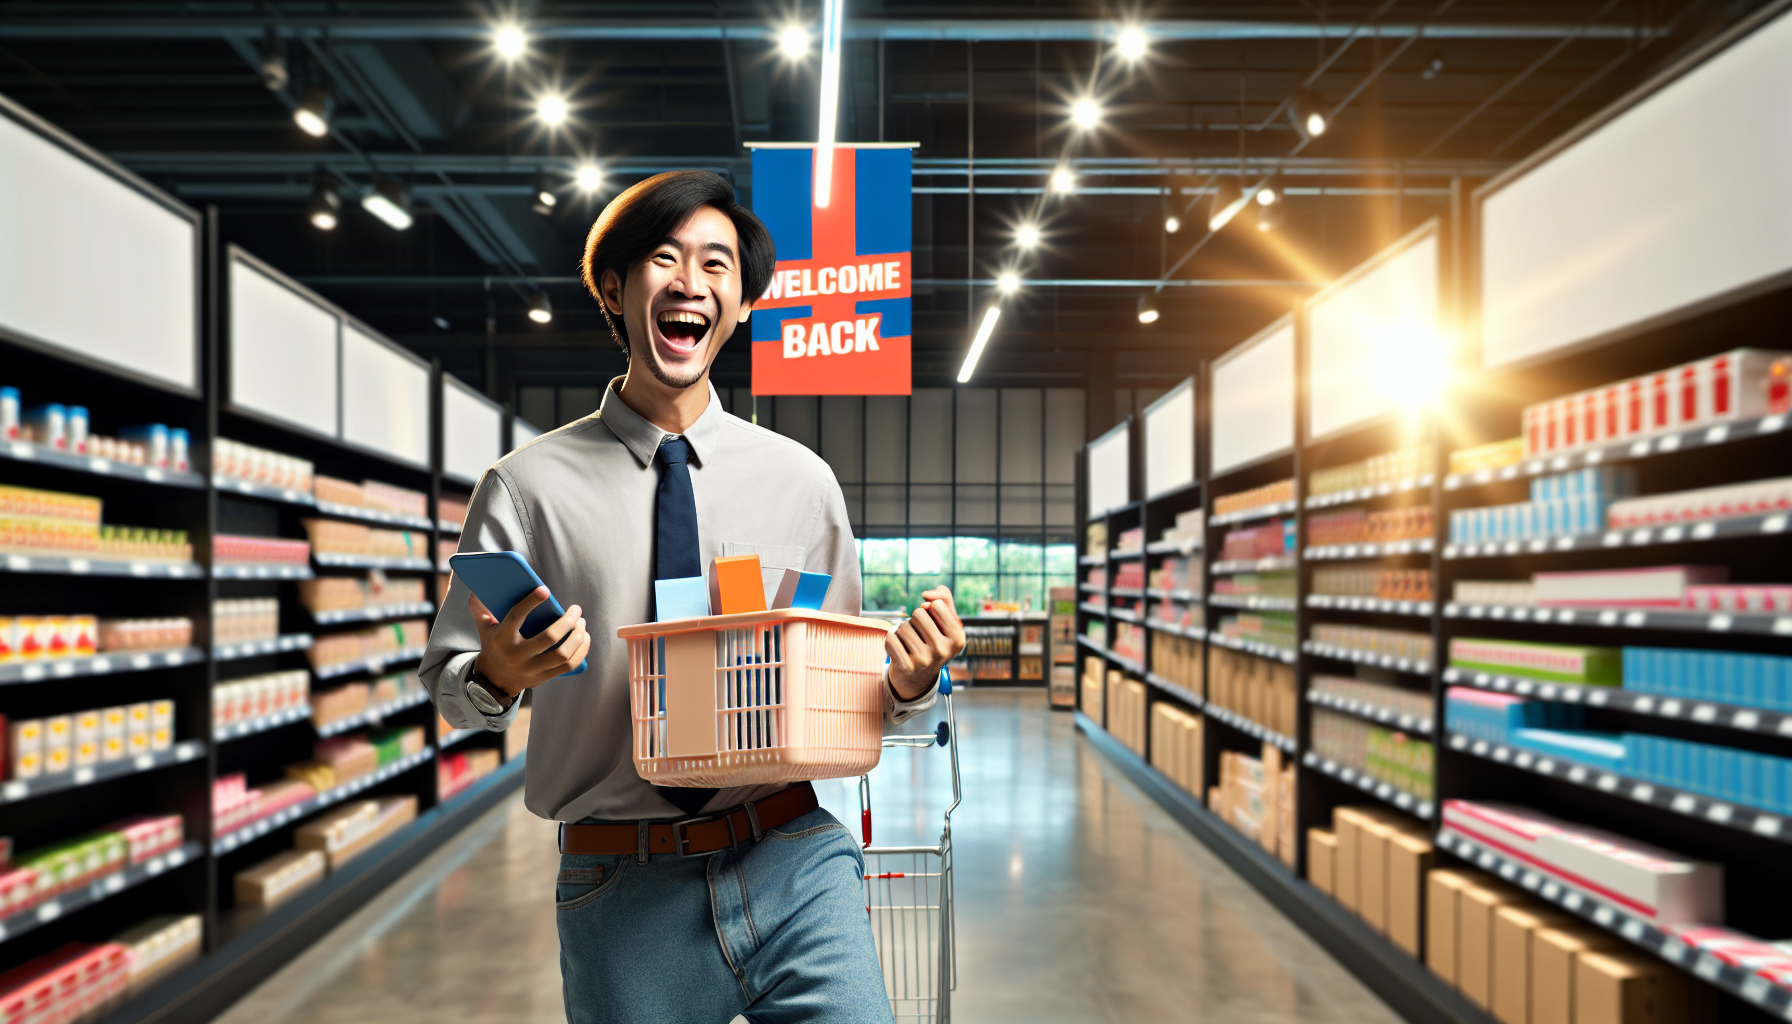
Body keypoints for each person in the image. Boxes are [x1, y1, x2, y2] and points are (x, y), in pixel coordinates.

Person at [421, 170, 965, 1024]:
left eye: (717, 265)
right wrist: (494, 674)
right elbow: (453, 690)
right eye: (664, 259)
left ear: (743, 302)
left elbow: (850, 697)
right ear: (615, 286)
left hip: (792, 858)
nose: (690, 282)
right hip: (620, 885)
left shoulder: (803, 484)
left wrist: (905, 682)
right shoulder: (526, 489)